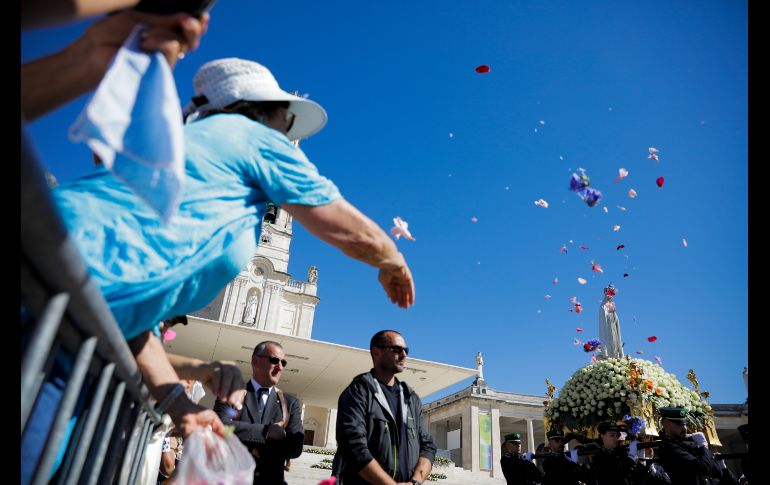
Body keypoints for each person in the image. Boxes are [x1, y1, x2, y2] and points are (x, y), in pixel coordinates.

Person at [49, 57, 416, 435]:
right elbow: (340, 222)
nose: (288, 134)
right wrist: (393, 260)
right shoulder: (249, 136)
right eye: (286, 120)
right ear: (260, 114)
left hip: (67, 313)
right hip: (52, 293)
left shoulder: (195, 156)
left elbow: (131, 316)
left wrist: (180, 404)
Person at [335, 330, 436, 485]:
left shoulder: (411, 398)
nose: (404, 355)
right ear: (376, 352)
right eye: (396, 349)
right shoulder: (358, 392)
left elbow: (427, 446)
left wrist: (415, 482)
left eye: (406, 350)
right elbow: (354, 447)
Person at [214, 341, 303, 485]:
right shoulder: (231, 393)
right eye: (274, 360)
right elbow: (220, 428)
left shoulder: (290, 403)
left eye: (283, 363)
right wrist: (268, 432)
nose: (280, 367)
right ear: (255, 361)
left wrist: (246, 439)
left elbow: (295, 447)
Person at [655, 407, 721, 484]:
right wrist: (703, 445)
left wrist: (700, 448)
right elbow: (704, 468)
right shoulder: (668, 447)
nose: (685, 428)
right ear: (666, 424)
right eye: (679, 424)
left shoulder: (686, 444)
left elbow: (717, 473)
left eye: (685, 424)